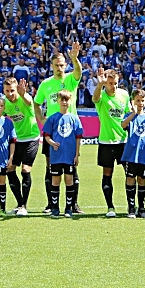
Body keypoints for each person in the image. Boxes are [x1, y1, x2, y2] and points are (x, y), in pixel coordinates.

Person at [34, 43, 82, 214]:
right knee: (50, 168)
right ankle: (51, 204)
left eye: (62, 65)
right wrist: (41, 118)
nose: (60, 68)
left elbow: (79, 72)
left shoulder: (69, 79)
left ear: (65, 65)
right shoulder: (46, 84)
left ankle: (73, 205)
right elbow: (37, 103)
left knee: (72, 169)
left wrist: (75, 59)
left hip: (70, 131)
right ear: (51, 66)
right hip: (52, 132)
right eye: (57, 65)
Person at [93, 67, 131, 217]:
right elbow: (95, 98)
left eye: (115, 83)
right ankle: (110, 207)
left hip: (123, 141)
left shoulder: (124, 95)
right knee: (107, 174)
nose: (113, 86)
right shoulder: (101, 96)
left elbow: (128, 113)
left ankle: (131, 207)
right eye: (109, 83)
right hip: (106, 142)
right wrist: (99, 84)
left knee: (129, 174)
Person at [42, 90, 83, 218]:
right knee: (55, 180)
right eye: (62, 100)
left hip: (69, 155)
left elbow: (78, 138)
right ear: (58, 101)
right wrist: (52, 142)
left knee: (69, 180)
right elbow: (46, 136)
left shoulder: (74, 119)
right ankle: (55, 208)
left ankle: (68, 208)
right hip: (56, 156)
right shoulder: (53, 118)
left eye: (67, 100)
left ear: (70, 101)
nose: (64, 102)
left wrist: (77, 154)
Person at [2, 78, 40, 216]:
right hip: (18, 140)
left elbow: (30, 101)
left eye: (12, 90)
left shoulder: (24, 98)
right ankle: (20, 204)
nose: (10, 93)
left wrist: (23, 94)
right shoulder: (5, 103)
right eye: (7, 91)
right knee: (10, 168)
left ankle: (24, 206)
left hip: (32, 138)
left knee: (25, 169)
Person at [120, 89, 145, 219]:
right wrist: (132, 114)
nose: (140, 103)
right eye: (137, 101)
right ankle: (131, 208)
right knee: (130, 179)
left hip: (143, 155)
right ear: (132, 102)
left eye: (142, 101)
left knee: (142, 180)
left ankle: (141, 208)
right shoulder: (129, 116)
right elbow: (123, 125)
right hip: (131, 154)